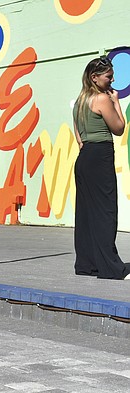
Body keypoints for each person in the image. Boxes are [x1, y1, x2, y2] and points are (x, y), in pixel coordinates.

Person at [72, 56, 129, 280]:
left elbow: (78, 134)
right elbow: (119, 128)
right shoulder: (102, 99)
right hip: (100, 156)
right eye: (108, 76)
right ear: (94, 78)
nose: (112, 80)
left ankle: (86, 264)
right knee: (105, 212)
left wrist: (84, 143)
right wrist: (116, 102)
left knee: (86, 213)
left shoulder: (79, 101)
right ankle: (111, 268)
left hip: (84, 157)